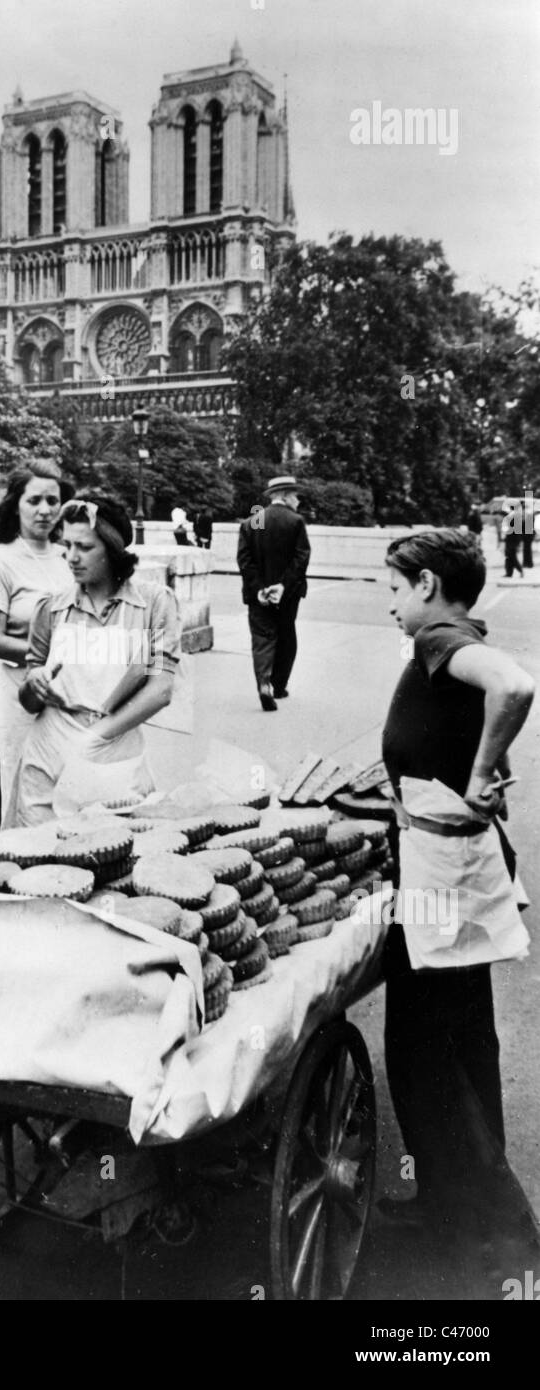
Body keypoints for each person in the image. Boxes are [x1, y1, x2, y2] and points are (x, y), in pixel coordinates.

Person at [380, 529, 536, 1256]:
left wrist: (480, 771)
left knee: (420, 1046)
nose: (389, 606)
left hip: (439, 873)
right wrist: (477, 762)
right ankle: (466, 1208)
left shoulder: (439, 635)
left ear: (427, 585)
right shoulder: (453, 631)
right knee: (462, 1036)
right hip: (447, 860)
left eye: (393, 589)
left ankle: (483, 1227)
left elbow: (513, 684)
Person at [9, 492, 181, 827]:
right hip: (50, 750)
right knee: (41, 861)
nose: (71, 557)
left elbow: (161, 689)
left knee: (114, 849)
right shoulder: (50, 608)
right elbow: (29, 702)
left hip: (114, 745)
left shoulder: (154, 604)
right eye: (67, 546)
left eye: (84, 547)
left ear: (113, 550)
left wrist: (96, 737)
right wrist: (34, 683)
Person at [0, 460, 70, 828]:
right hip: (19, 692)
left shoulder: (69, 555)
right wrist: (49, 653)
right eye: (34, 500)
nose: (44, 510)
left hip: (68, 691)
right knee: (21, 785)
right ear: (16, 504)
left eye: (52, 500)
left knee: (63, 788)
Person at [237, 475, 310, 711]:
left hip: (258, 595)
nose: (298, 500)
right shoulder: (295, 521)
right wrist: (283, 586)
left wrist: (259, 588)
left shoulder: (254, 521)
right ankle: (279, 685)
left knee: (261, 638)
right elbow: (301, 558)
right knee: (287, 635)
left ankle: (264, 683)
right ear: (286, 495)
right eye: (296, 495)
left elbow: (245, 559)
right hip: (287, 595)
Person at [502, 503, 523, 577]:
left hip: (512, 541)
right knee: (508, 557)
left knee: (512, 557)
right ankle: (509, 573)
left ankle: (520, 570)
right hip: (510, 540)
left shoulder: (514, 517)